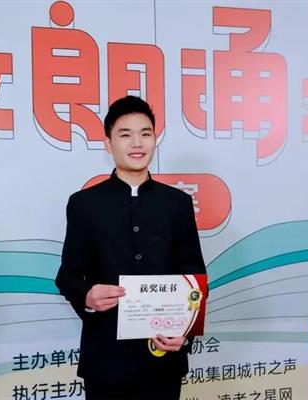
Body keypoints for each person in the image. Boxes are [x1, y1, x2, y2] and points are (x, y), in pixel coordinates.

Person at [55, 95, 206, 400]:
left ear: (154, 139)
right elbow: (67, 276)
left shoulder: (177, 204)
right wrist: (87, 295)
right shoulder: (84, 204)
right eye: (125, 135)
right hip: (106, 358)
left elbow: (194, 275)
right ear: (108, 144)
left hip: (163, 356)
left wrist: (185, 332)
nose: (137, 143)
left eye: (145, 134)